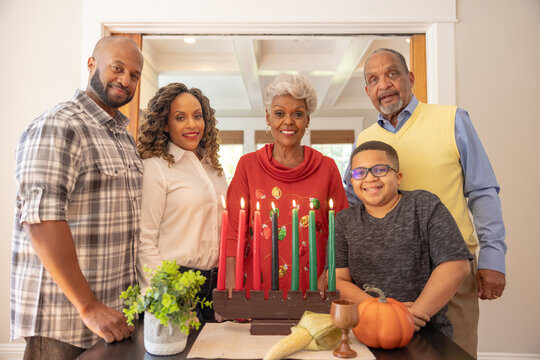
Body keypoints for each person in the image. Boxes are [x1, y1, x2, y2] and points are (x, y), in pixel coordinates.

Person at [344, 48, 507, 356]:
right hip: (384, 282)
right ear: (368, 91)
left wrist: (493, 257)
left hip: (449, 274)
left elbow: (483, 190)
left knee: (452, 354)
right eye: (374, 79)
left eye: (392, 74)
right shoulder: (364, 140)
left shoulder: (452, 120)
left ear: (410, 78)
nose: (384, 85)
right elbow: (354, 203)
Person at [11, 36, 144, 359]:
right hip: (67, 319)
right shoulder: (59, 124)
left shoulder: (123, 138)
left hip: (115, 315)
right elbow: (41, 220)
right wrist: (89, 306)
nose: (125, 80)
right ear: (91, 64)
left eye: (135, 75)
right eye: (117, 68)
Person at [225, 74, 348, 297]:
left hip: (314, 291)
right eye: (279, 113)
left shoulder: (327, 168)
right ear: (268, 117)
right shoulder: (247, 166)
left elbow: (342, 231)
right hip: (258, 291)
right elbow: (234, 230)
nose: (288, 121)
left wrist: (329, 274)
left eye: (298, 114)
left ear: (308, 120)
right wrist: (230, 284)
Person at [336, 140, 472, 337]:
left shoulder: (424, 205)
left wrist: (410, 317)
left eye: (380, 170)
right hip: (367, 328)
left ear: (398, 177)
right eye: (359, 172)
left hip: (427, 330)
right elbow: (339, 280)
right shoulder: (343, 221)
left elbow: (457, 265)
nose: (369, 178)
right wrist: (384, 310)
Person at [137, 83, 228, 323]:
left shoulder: (214, 168)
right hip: (175, 283)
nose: (192, 125)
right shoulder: (155, 167)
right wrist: (167, 295)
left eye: (197, 116)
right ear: (165, 124)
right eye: (180, 117)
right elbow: (144, 240)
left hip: (217, 287)